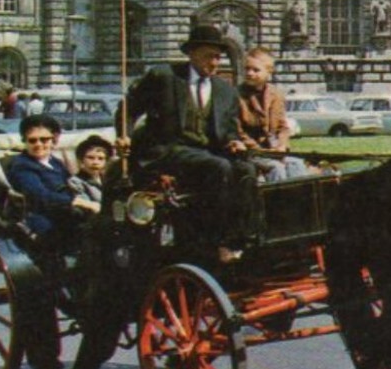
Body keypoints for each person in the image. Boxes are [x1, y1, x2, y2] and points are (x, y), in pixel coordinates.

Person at [116, 22, 261, 263]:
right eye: (208, 56)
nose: (214, 63)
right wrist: (124, 134)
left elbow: (227, 132)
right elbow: (127, 110)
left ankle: (243, 238)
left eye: (218, 57)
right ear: (191, 53)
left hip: (206, 153)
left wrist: (234, 142)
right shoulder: (164, 77)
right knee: (219, 167)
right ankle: (215, 241)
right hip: (167, 152)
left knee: (246, 169)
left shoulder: (225, 91)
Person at [5, 115, 101, 369]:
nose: (39, 145)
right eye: (33, 140)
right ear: (25, 141)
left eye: (45, 140)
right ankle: (45, 359)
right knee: (42, 293)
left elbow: (72, 187)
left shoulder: (56, 163)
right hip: (42, 227)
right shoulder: (22, 167)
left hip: (66, 220)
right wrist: (78, 204)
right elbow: (41, 197)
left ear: (54, 140)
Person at [235, 47, 293, 179]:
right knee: (275, 168)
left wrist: (282, 145)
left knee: (296, 164)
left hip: (274, 150)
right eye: (247, 69)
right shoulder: (236, 95)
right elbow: (237, 131)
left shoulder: (276, 94)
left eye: (256, 70)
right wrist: (262, 151)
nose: (250, 73)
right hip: (250, 152)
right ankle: (277, 199)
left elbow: (283, 127)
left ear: (269, 71)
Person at [69, 135, 111, 206]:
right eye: (90, 158)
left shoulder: (107, 180)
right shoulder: (76, 182)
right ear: (82, 160)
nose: (95, 162)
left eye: (100, 158)